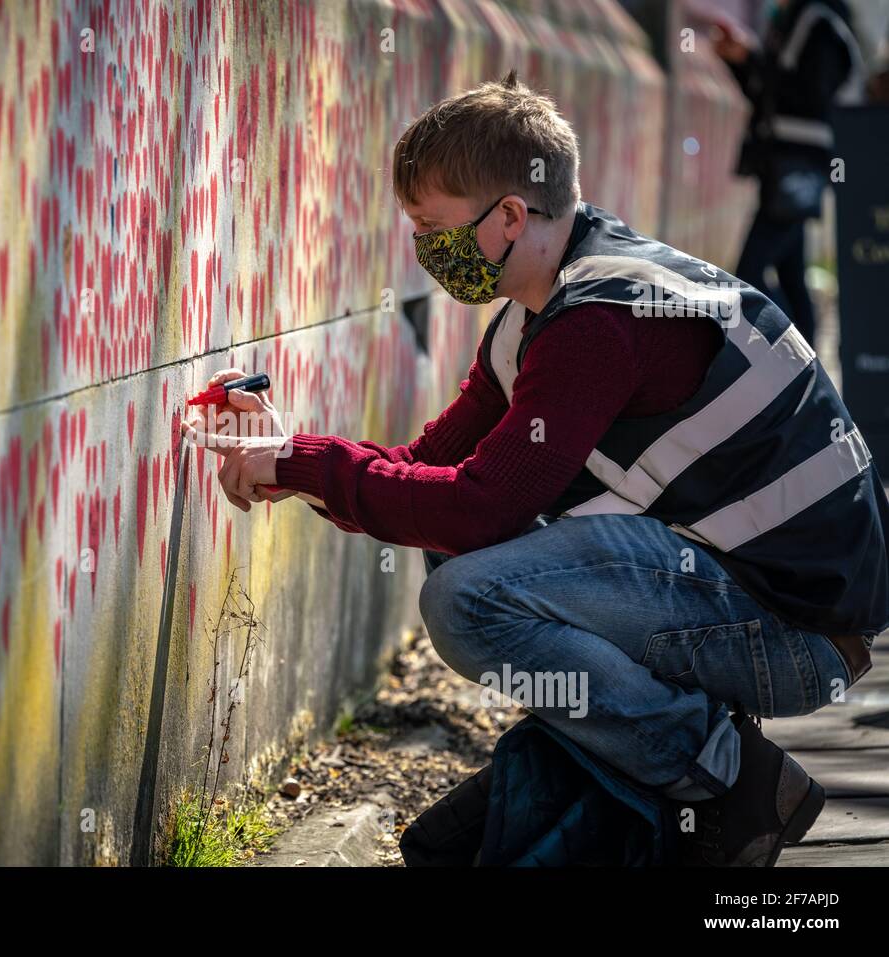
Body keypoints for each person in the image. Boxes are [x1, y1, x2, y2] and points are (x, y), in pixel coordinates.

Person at [182, 70, 889, 867]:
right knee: (463, 553)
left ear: (512, 215)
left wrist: (304, 464)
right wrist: (292, 457)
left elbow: (478, 507)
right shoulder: (541, 311)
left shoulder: (599, 318)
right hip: (747, 596)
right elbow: (427, 471)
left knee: (466, 593)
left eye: (434, 227)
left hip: (798, 638)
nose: (424, 251)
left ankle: (724, 771)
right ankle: (623, 767)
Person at [706, 0, 864, 347]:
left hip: (800, 170)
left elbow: (808, 95)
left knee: (749, 273)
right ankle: (803, 358)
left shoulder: (819, 23)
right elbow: (766, 93)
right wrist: (740, 62)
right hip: (781, 169)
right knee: (791, 276)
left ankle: (788, 352)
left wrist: (751, 58)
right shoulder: (791, 20)